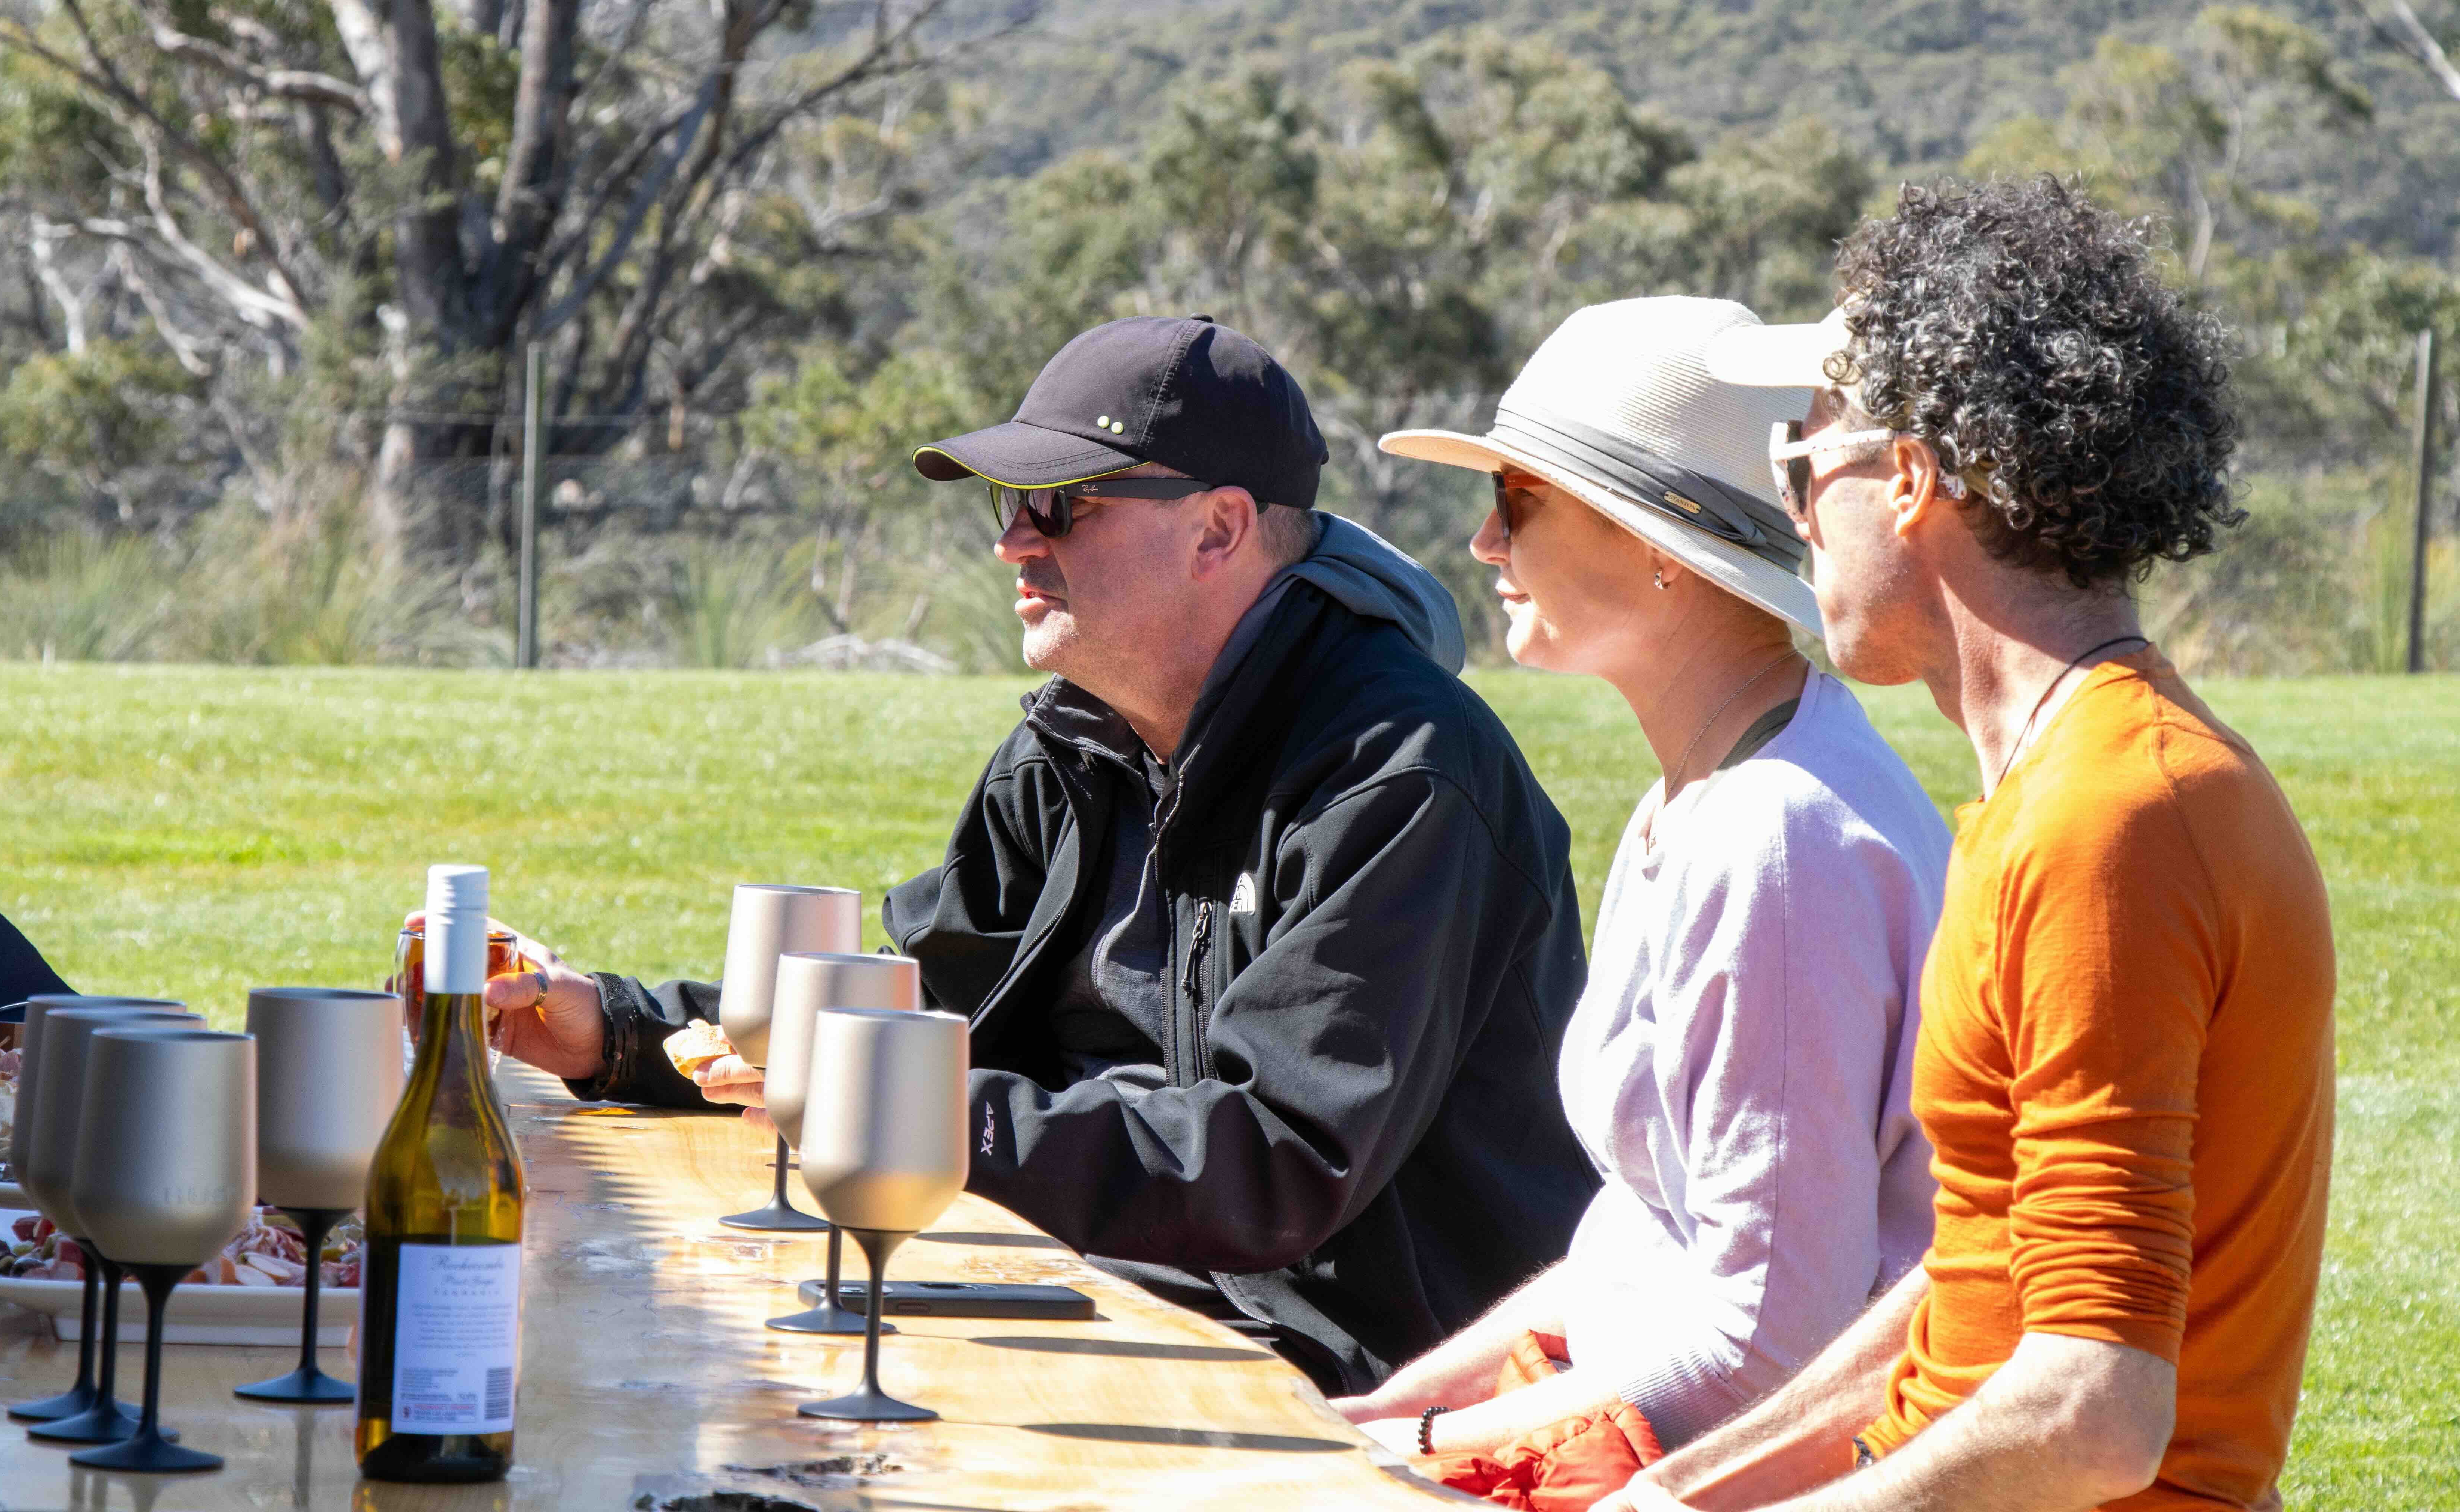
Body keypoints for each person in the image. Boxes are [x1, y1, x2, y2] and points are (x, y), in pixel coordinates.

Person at [483, 315, 1597, 1395]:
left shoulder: (1399, 773)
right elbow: (920, 1005)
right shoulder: (1072, 741)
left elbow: (1280, 1160)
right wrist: (618, 1031)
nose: (1013, 539)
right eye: (1012, 502)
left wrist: (917, 1114)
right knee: (688, 1337)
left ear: (1217, 530)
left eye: (1060, 504)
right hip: (1122, 1295)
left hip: (1356, 1377)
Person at [1593, 176, 2334, 1512]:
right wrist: (1676, 1493)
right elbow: (1986, 1277)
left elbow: (2095, 1410)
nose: (1796, 515)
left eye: (1800, 466)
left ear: (1914, 480)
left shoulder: (2114, 820)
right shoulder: (2073, 784)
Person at [1326, 297, 1948, 1502]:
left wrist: (1424, 1458)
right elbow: (1650, 1237)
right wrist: (1417, 1399)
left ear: (1660, 540)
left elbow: (1768, 1342)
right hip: (1635, 1424)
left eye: (1517, 500)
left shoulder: (1775, 840)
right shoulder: (1704, 797)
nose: (1483, 546)